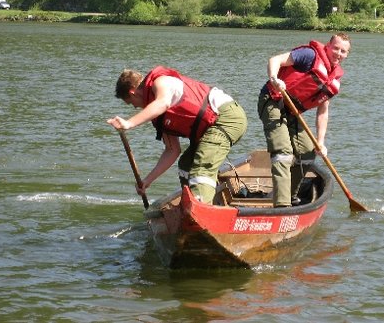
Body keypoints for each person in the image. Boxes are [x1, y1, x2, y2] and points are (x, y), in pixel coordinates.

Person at [107, 66, 247, 204]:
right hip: (209, 129)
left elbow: (164, 103)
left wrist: (129, 123)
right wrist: (147, 181)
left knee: (201, 168)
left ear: (133, 93)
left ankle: (200, 208)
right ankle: (194, 205)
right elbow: (172, 150)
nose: (135, 107)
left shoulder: (161, 82)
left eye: (131, 103)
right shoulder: (158, 115)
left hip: (226, 117)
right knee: (185, 166)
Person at [257, 33, 351, 207]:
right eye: (336, 48)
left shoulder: (333, 77)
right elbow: (275, 60)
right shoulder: (309, 55)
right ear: (328, 46)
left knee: (308, 153)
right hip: (273, 101)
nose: (338, 53)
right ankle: (282, 205)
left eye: (343, 51)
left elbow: (323, 111)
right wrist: (274, 79)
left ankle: (290, 194)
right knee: (283, 152)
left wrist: (321, 143)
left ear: (347, 54)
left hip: (292, 112)